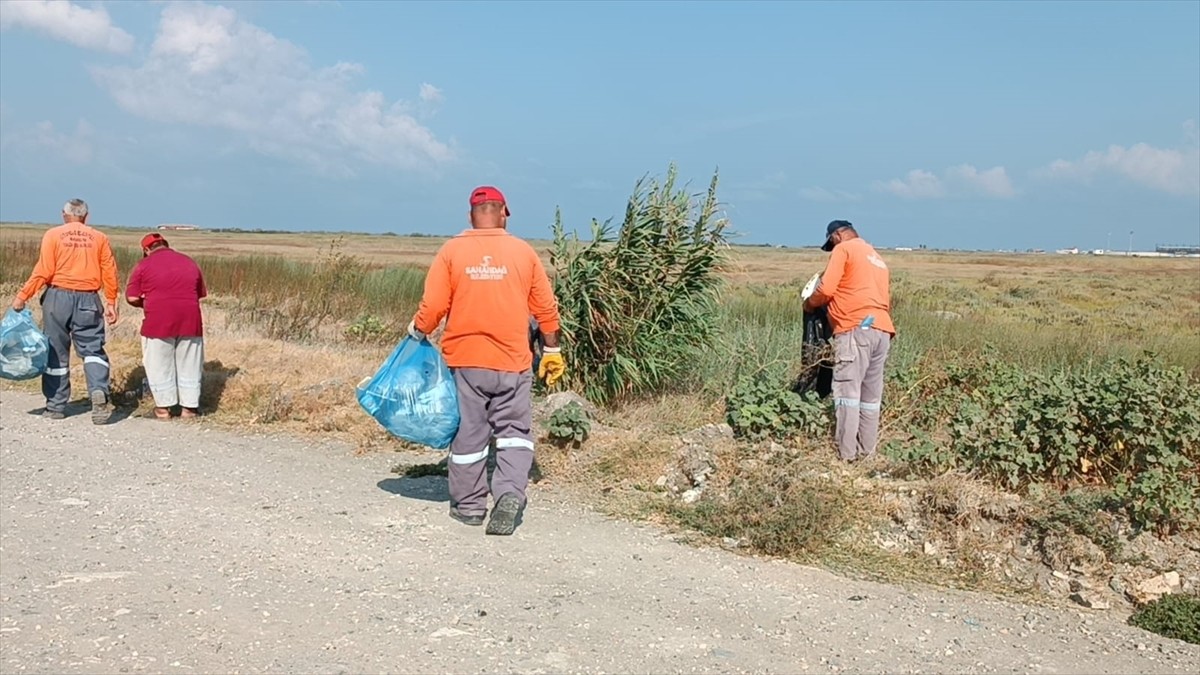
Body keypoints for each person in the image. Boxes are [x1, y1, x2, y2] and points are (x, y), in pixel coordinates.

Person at [408, 185, 565, 536]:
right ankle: (509, 493)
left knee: (469, 434)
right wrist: (552, 350)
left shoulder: (451, 251)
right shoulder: (524, 253)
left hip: (465, 362)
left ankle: (469, 506)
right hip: (512, 360)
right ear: (505, 212)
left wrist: (417, 332)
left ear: (470, 217)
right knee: (514, 432)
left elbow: (433, 307)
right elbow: (546, 309)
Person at [11, 199, 119, 424]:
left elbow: (43, 270)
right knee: (92, 349)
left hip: (57, 297)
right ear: (86, 217)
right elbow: (109, 270)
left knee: (56, 351)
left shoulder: (53, 235)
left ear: (63, 215)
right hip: (89, 298)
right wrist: (111, 300)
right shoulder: (99, 238)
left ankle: (56, 405)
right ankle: (98, 391)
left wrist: (23, 295)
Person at [803, 220, 895, 462]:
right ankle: (867, 455)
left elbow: (826, 289)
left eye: (831, 243)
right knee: (870, 398)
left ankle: (845, 457)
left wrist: (810, 303)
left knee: (847, 392)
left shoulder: (845, 249)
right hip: (881, 328)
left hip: (856, 327)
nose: (831, 248)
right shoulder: (876, 257)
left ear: (837, 235)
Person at [124, 233, 208, 420]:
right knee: (190, 364)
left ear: (146, 250)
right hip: (190, 319)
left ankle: (163, 409)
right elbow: (200, 292)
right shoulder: (189, 262)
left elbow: (132, 297)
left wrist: (145, 304)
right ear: (166, 245)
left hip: (158, 321)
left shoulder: (143, 265)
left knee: (158, 363)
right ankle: (189, 409)